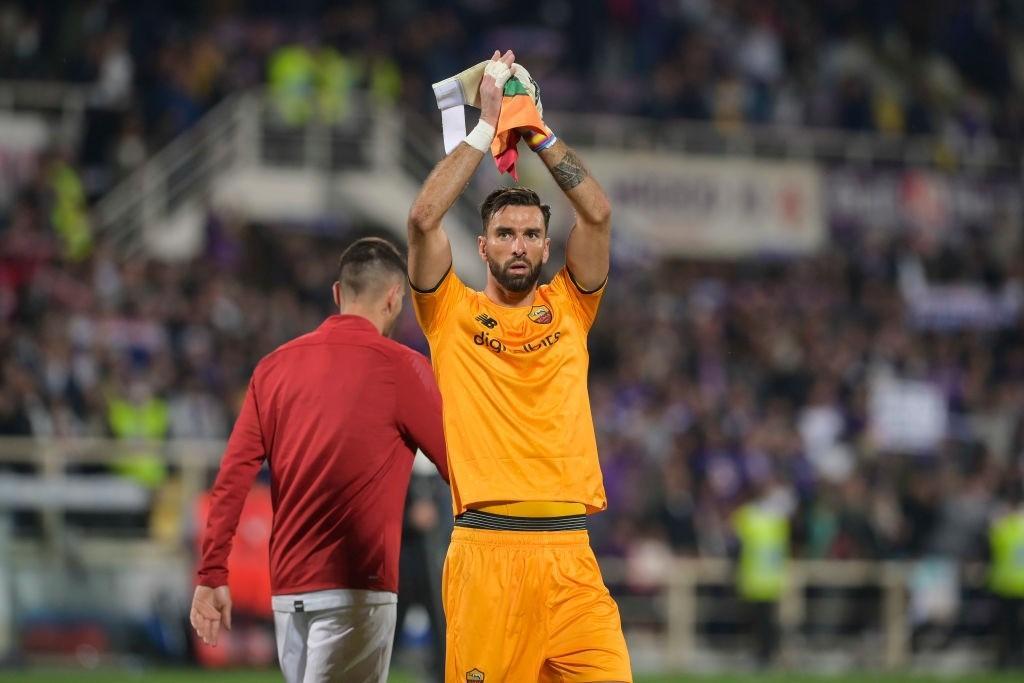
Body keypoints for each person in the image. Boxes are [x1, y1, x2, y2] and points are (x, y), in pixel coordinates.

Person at [407, 50, 631, 682]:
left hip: (571, 554)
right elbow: (423, 220)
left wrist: (537, 131)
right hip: (486, 550)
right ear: (482, 246)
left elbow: (599, 213)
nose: (520, 245)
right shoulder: (449, 311)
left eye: (532, 234)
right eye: (505, 233)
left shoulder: (571, 306)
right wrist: (485, 128)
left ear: (546, 246)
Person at [190, 237, 448, 683]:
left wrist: (212, 573)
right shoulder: (403, 368)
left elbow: (232, 478)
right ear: (394, 298)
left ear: (337, 294)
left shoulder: (273, 368)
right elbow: (460, 463)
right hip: (357, 589)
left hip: (289, 593)